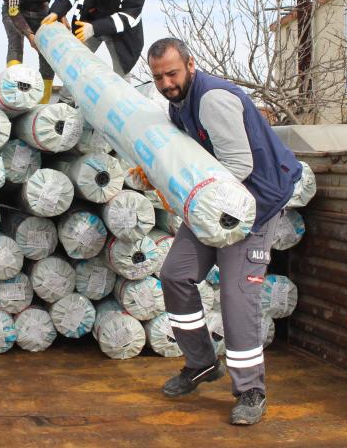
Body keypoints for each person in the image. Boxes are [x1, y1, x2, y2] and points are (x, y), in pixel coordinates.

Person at [147, 38, 302, 426]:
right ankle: (201, 363)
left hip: (252, 204)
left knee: (236, 296)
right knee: (176, 275)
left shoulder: (212, 99)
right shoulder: (179, 103)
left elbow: (239, 166)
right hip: (215, 203)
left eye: (172, 73)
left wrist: (187, 194)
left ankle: (251, 390)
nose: (166, 83)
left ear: (190, 65)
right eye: (158, 77)